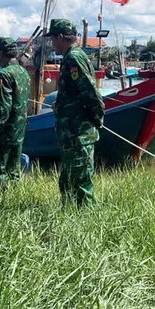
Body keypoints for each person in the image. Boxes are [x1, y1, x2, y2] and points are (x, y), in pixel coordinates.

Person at [48, 19, 105, 206]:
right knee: (68, 181)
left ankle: (89, 225)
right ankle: (69, 217)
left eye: (53, 38)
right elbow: (75, 94)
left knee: (81, 183)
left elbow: (91, 93)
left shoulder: (73, 58)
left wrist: (97, 120)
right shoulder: (71, 57)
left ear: (61, 37)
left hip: (78, 132)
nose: (52, 43)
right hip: (71, 132)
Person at [0, 37, 31, 190]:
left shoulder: (3, 75)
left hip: (5, 130)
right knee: (13, 169)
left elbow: (3, 106)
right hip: (19, 129)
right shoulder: (23, 72)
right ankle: (13, 198)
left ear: (1, 53)